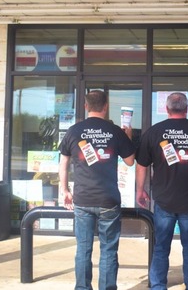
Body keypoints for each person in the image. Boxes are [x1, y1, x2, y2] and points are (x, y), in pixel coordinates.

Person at [135, 92, 188, 290]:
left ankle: (158, 286)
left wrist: (141, 190)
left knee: (161, 247)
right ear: (186, 109)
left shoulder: (154, 132)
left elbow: (141, 165)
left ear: (167, 109)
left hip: (163, 201)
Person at [58, 90, 136, 290]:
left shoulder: (74, 131)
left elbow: (64, 162)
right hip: (108, 199)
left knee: (83, 249)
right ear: (106, 106)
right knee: (109, 250)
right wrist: (129, 137)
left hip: (82, 199)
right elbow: (129, 161)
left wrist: (65, 190)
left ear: (86, 106)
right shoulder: (115, 131)